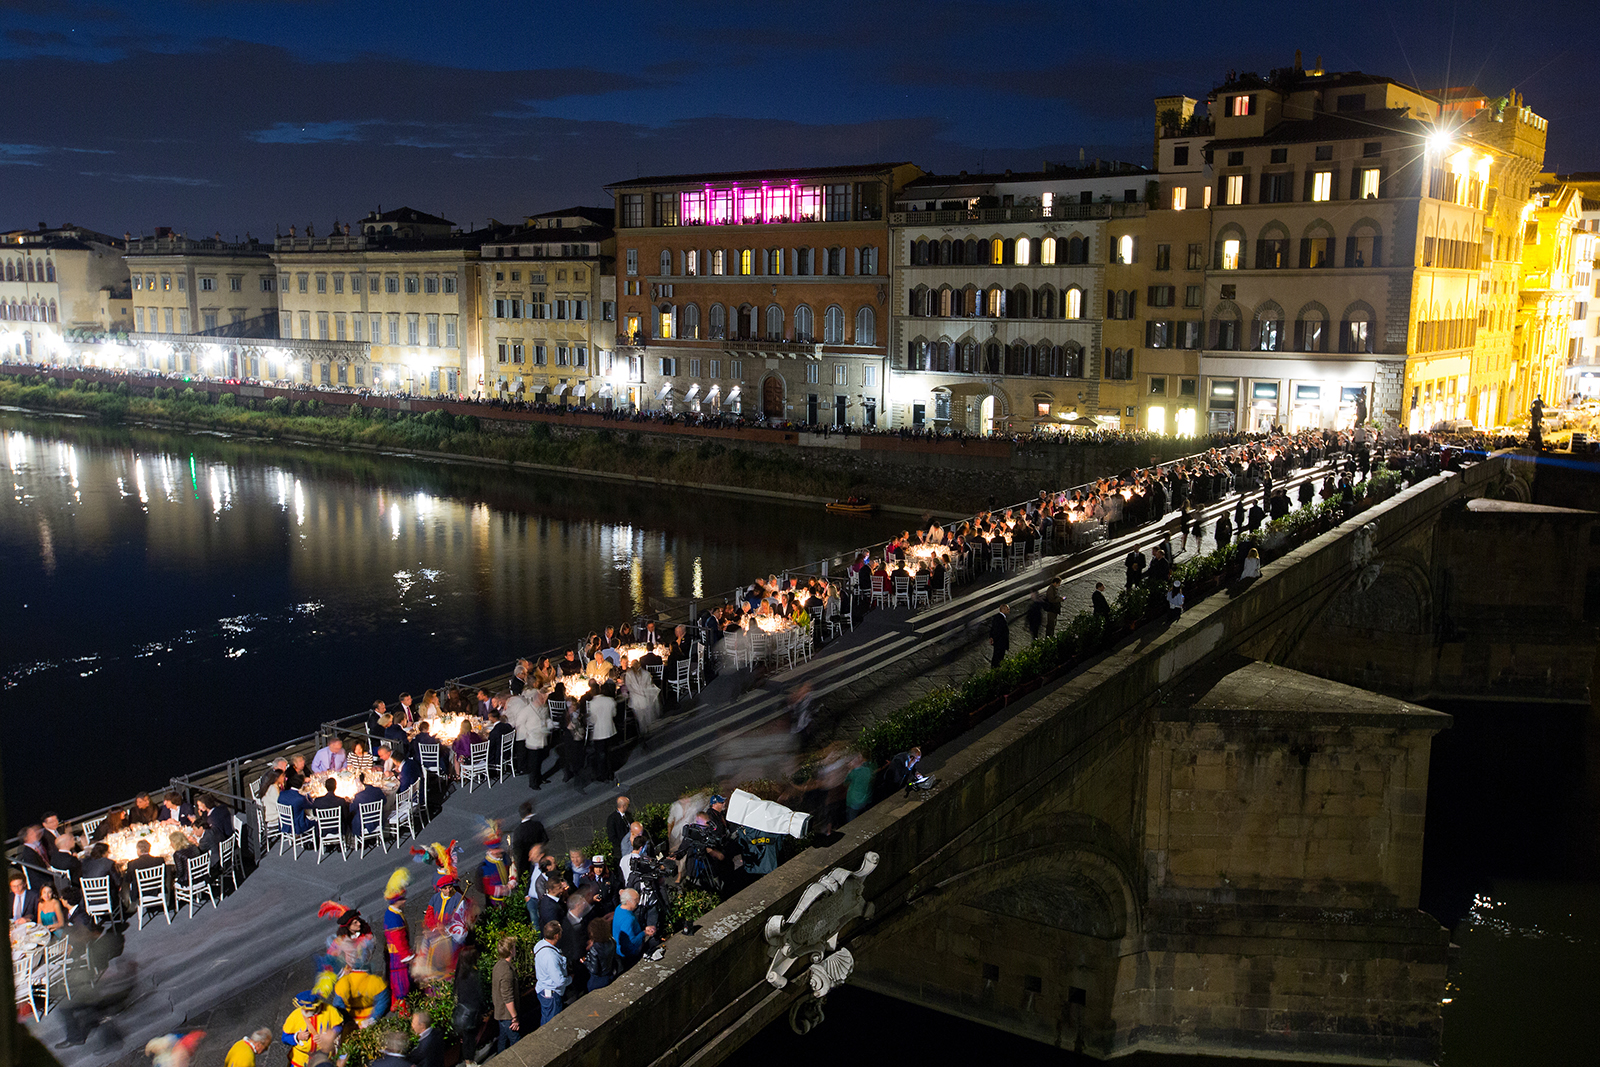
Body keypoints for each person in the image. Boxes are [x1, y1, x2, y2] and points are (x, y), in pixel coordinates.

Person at [280, 988, 343, 1067]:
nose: (304, 1011)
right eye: (303, 1008)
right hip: (301, 1061)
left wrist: (331, 1033)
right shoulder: (294, 1016)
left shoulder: (330, 1010)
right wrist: (297, 1036)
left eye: (307, 1010)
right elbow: (284, 1038)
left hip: (323, 1058)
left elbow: (339, 1026)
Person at [534, 920, 570, 1026]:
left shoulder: (540, 944)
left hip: (542, 990)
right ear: (556, 936)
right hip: (552, 994)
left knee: (546, 1018)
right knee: (552, 1024)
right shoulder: (551, 957)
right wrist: (570, 979)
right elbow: (559, 981)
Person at [492, 935, 521, 1051]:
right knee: (516, 1042)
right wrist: (515, 1017)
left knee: (503, 1040)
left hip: (501, 1013)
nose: (515, 949)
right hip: (507, 1015)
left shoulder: (498, 965)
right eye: (514, 947)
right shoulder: (506, 972)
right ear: (510, 950)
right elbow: (507, 997)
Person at [585, 916, 620, 991]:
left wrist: (585, 961)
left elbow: (594, 970)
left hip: (597, 979)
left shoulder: (595, 949)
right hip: (608, 974)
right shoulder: (611, 941)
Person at [988, 602, 1011, 668]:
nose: (1009, 610)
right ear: (1003, 609)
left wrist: (991, 637)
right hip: (1000, 643)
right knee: (998, 658)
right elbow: (999, 631)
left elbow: (993, 628)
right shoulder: (1001, 619)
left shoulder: (997, 618)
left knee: (996, 657)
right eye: (1007, 609)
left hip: (998, 643)